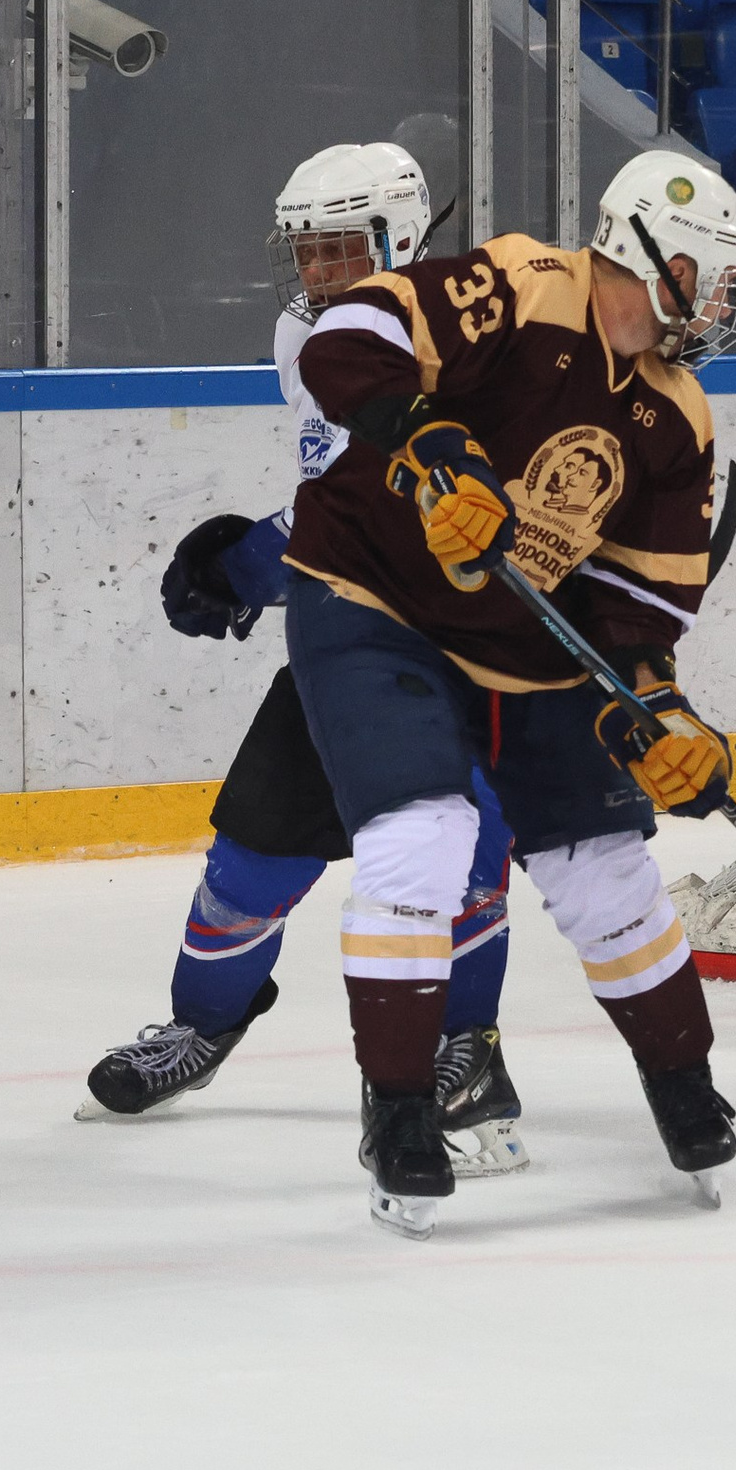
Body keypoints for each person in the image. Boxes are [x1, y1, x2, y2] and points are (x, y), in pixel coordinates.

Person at [284, 148, 736, 1238]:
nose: (722, 304)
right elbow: (346, 337)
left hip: (522, 639)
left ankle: (684, 1086)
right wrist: (426, 438)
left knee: (607, 869)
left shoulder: (680, 416)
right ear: (660, 257)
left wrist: (656, 711)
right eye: (717, 278)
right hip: (376, 599)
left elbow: (635, 612)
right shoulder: (522, 286)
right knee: (422, 838)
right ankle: (403, 1114)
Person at [79, 143, 529, 1180]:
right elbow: (345, 506)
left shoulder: (473, 343)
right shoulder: (307, 336)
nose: (317, 272)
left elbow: (419, 520)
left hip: (469, 654)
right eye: (306, 250)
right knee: (252, 856)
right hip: (349, 641)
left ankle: (470, 1054)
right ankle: (202, 1026)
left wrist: (246, 564)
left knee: (461, 864)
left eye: (339, 250)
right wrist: (263, 560)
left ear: (398, 240)